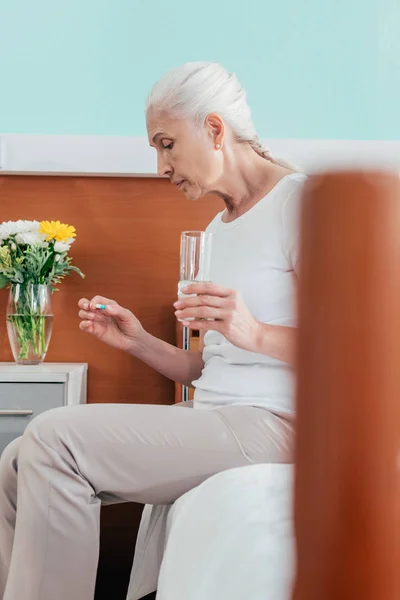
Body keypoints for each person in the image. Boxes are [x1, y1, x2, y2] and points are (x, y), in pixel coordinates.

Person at [0, 62, 306, 600]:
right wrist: (137, 341)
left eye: (167, 144)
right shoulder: (219, 227)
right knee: (16, 460)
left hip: (281, 423)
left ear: (214, 129)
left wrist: (253, 331)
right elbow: (208, 368)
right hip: (219, 412)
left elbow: (366, 351)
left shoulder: (301, 203)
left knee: (56, 438)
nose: (161, 165)